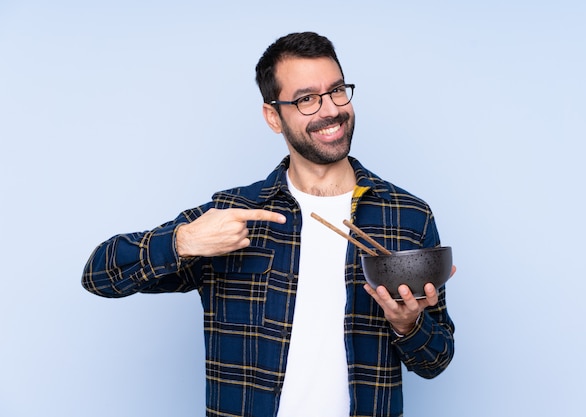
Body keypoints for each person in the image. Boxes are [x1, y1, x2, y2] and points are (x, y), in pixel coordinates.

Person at [82, 31, 455, 417]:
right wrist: (184, 241)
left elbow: (437, 360)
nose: (330, 110)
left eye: (337, 90)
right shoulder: (233, 214)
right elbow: (99, 275)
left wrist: (408, 326)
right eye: (307, 99)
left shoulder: (407, 215)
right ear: (273, 117)